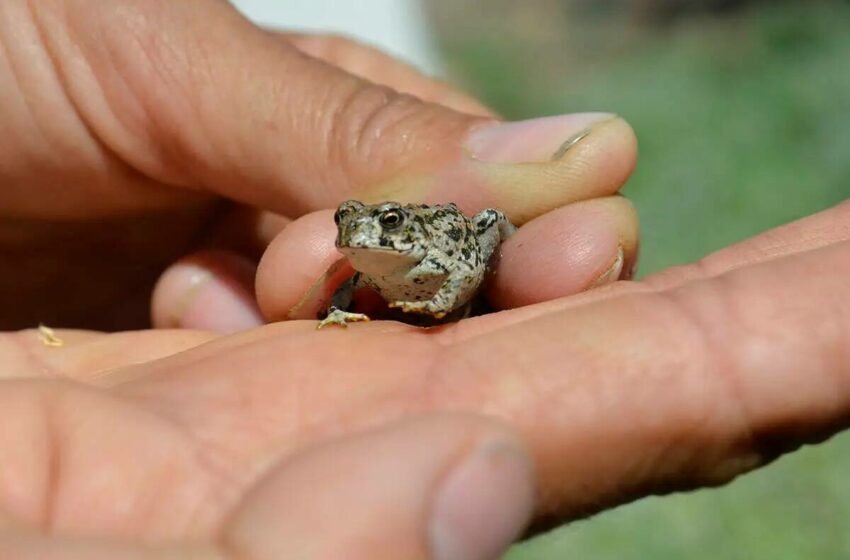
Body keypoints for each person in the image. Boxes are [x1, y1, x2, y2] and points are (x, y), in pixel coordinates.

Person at [0, 1, 847, 558]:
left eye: (375, 225)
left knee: (538, 239)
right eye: (355, 227)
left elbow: (468, 244)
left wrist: (449, 285)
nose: (361, 237)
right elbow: (349, 264)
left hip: (458, 252)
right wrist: (339, 304)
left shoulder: (425, 242)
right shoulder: (358, 254)